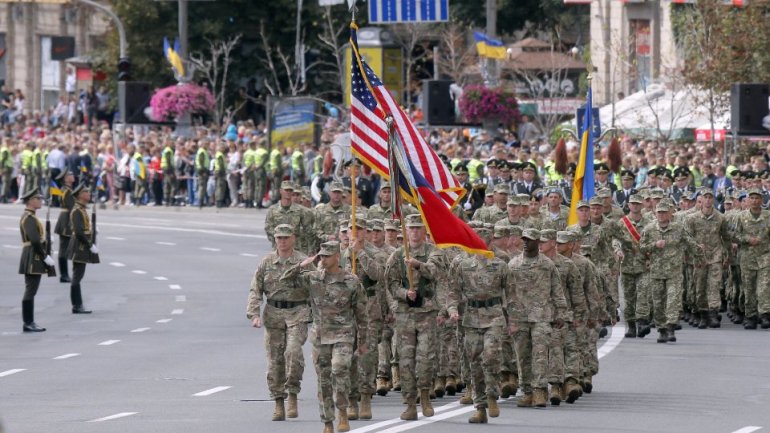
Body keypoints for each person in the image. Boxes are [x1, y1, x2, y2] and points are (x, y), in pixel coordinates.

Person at [280, 241, 367, 433]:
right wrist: (302, 265)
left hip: (343, 334)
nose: (324, 259)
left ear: (338, 257)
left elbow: (361, 313)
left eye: (327, 256)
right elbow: (285, 280)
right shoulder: (313, 278)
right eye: (322, 256)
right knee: (324, 381)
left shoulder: (351, 281)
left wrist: (363, 341)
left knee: (339, 369)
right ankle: (327, 422)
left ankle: (342, 412)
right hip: (320, 337)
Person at [384, 214, 444, 420]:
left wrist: (418, 265)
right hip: (405, 315)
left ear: (424, 232)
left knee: (426, 358)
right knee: (406, 361)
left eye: (419, 228)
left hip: (426, 312)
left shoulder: (433, 252)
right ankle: (410, 403)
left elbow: (436, 273)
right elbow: (390, 283)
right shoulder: (397, 255)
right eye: (412, 228)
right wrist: (403, 294)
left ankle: (425, 394)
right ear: (406, 231)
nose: (415, 232)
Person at [247, 224, 309, 421]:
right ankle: (278, 402)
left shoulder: (303, 261)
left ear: (293, 238)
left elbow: (317, 286)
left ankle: (292, 394)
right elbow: (255, 289)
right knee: (275, 361)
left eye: (286, 237)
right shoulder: (267, 262)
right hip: (273, 314)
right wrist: (254, 314)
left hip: (297, 312)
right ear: (275, 239)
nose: (282, 241)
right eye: (279, 238)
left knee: (293, 353)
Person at [446, 239, 508, 423]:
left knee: (491, 356)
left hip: (494, 315)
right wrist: (452, 309)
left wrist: (513, 319)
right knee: (474, 361)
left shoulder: (500, 265)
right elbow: (453, 292)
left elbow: (512, 294)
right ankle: (480, 407)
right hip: (471, 317)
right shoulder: (463, 265)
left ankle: (492, 395)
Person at [506, 228, 568, 408]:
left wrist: (561, 313)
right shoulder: (513, 264)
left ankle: (540, 391)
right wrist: (507, 317)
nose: (526, 242)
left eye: (530, 240)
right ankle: (526, 391)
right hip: (519, 317)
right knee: (523, 356)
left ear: (537, 242)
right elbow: (507, 293)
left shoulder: (547, 265)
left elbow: (557, 290)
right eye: (524, 239)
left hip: (542, 316)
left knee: (540, 354)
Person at [640, 201, 702, 342]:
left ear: (669, 214)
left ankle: (670, 328)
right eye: (659, 212)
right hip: (656, 272)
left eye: (664, 212)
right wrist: (654, 245)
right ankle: (661, 330)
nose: (661, 215)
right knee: (658, 302)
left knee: (673, 300)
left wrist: (700, 257)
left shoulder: (678, 228)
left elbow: (690, 243)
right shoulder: (649, 229)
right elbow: (642, 248)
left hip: (674, 271)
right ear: (655, 214)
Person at [18, 189, 54, 332]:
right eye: (38, 199)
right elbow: (34, 239)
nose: (40, 201)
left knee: (31, 289)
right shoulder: (28, 218)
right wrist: (44, 256)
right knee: (31, 290)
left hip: (34, 254)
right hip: (33, 255)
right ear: (30, 201)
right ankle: (28, 322)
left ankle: (29, 322)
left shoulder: (31, 217)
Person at [67, 183, 99, 314]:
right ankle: (77, 305)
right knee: (77, 276)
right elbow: (79, 232)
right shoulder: (77, 210)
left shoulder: (81, 209)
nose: (89, 193)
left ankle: (77, 304)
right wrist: (90, 244)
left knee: (78, 276)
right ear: (80, 195)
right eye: (86, 191)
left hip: (81, 245)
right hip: (80, 246)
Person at [54, 170, 75, 283]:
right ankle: (64, 275)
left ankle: (65, 274)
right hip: (66, 220)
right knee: (63, 249)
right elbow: (72, 208)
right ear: (65, 179)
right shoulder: (67, 191)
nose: (72, 176)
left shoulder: (68, 190)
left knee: (65, 249)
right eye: (70, 175)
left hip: (66, 218)